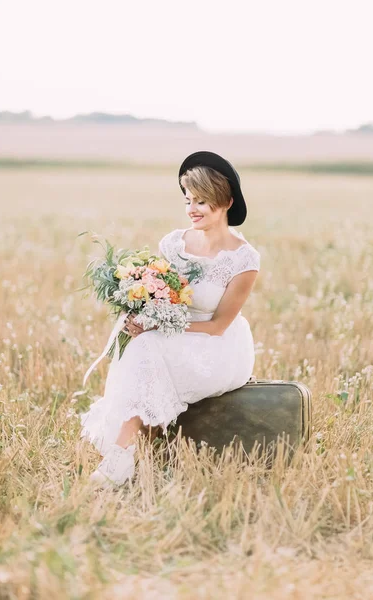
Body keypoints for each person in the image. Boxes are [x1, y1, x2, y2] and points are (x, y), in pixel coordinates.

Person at [80, 151, 261, 489]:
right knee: (139, 342)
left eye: (202, 201)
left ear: (226, 202)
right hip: (168, 332)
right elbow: (162, 295)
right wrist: (140, 313)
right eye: (188, 199)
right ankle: (126, 451)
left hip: (218, 346)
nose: (192, 208)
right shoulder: (173, 244)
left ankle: (120, 457)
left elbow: (218, 326)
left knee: (148, 344)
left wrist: (157, 327)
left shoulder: (244, 259)